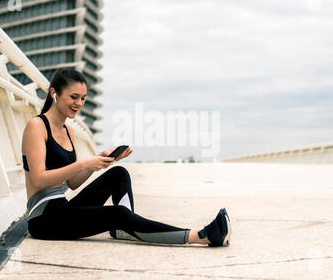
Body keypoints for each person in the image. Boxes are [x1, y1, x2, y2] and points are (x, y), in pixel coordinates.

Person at [21, 68, 231, 246]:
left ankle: (123, 229)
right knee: (117, 214)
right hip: (43, 219)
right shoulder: (36, 126)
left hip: (62, 207)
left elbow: (72, 183)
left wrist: (97, 164)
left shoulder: (70, 131)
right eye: (73, 97)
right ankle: (200, 236)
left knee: (118, 174)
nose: (79, 103)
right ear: (54, 94)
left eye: (83, 98)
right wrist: (84, 163)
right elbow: (39, 179)